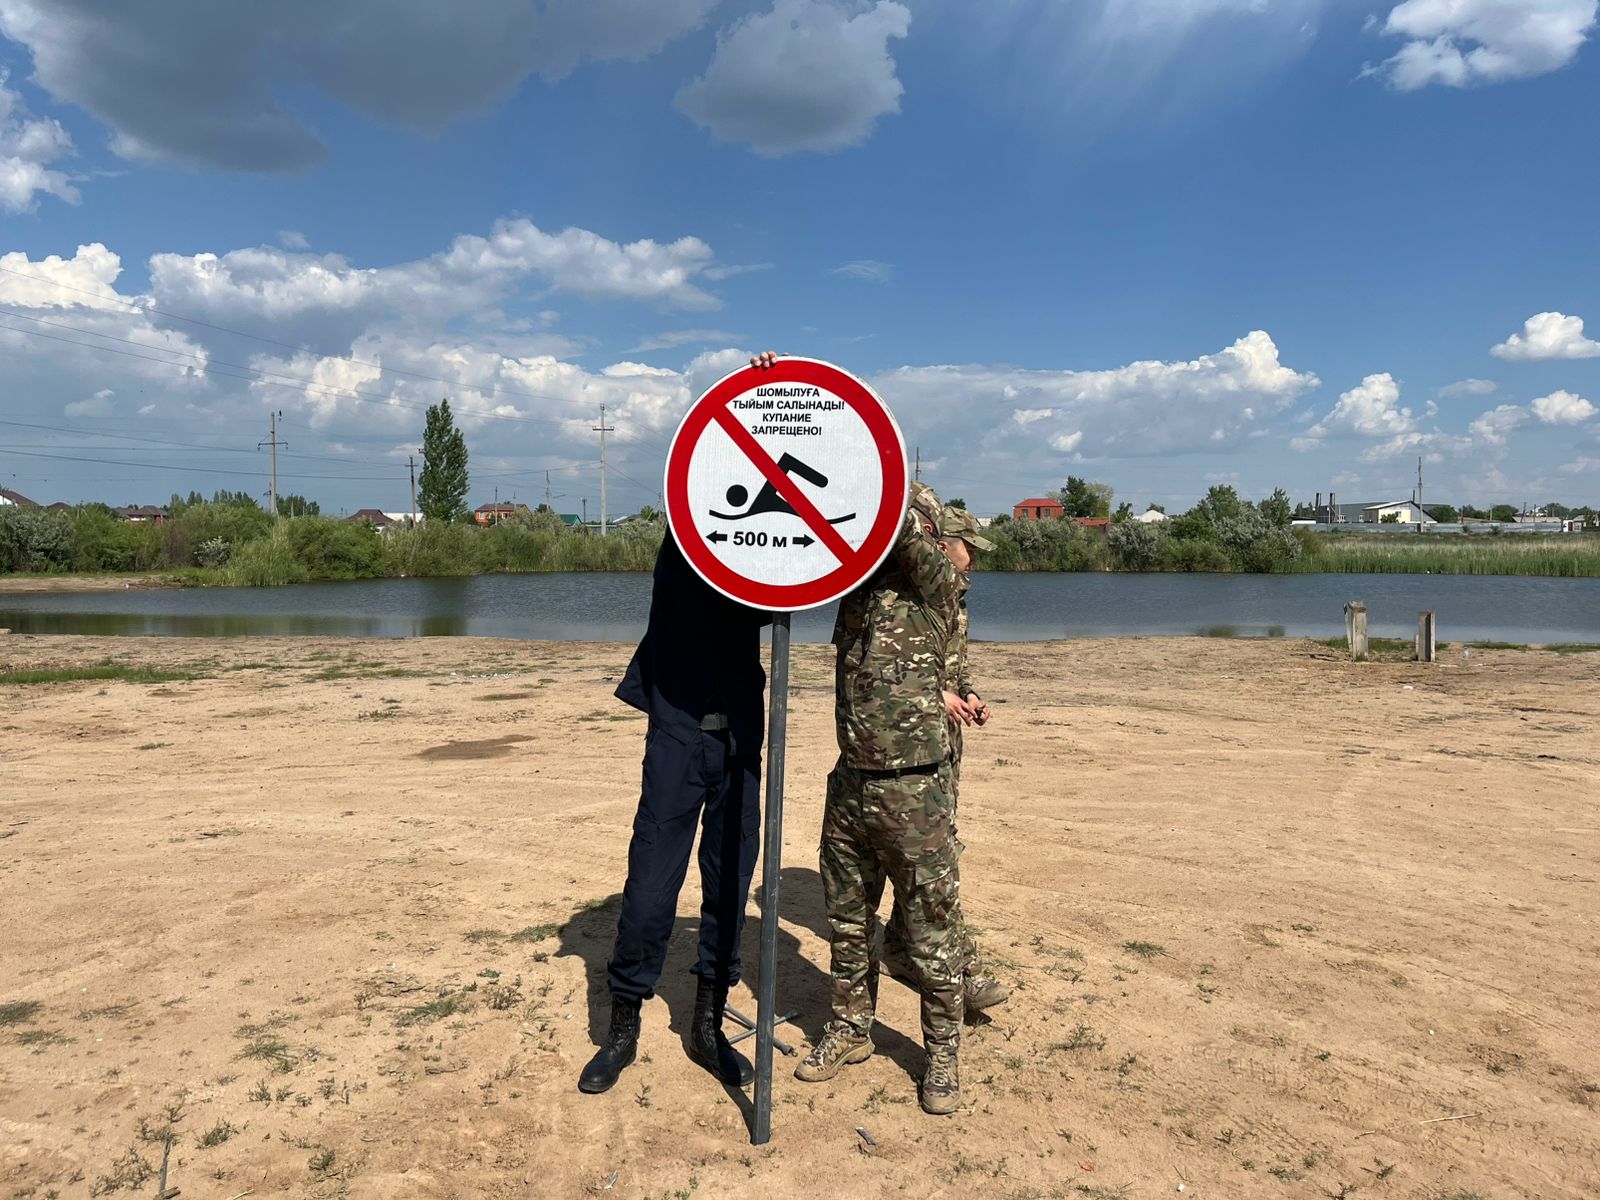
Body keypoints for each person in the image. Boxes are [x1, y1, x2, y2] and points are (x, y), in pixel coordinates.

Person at [578, 352, 780, 1096]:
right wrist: (743, 395)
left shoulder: (765, 554)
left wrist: (775, 403)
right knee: (651, 885)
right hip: (678, 729)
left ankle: (706, 1024)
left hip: (742, 735)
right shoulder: (687, 538)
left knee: (730, 882)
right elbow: (706, 451)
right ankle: (623, 1025)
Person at [794, 481, 971, 1115]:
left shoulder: (937, 584)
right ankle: (850, 1028)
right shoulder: (856, 588)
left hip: (914, 789)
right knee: (847, 922)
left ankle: (942, 1055)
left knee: (931, 933)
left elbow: (895, 525)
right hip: (851, 782)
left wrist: (857, 462)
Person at [880, 506, 1009, 1016]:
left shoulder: (955, 596)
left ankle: (899, 946)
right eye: (968, 548)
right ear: (941, 544)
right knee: (930, 859)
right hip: (910, 747)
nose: (973, 559)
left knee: (939, 847)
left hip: (945, 744)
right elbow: (886, 673)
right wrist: (936, 697)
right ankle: (956, 966)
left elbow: (954, 667)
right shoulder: (903, 595)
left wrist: (968, 695)